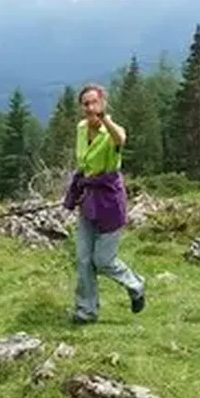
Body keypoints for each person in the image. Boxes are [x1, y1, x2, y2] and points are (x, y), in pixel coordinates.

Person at [62, 84, 145, 324]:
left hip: (109, 201)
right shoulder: (80, 128)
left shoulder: (111, 134)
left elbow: (121, 137)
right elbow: (83, 164)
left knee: (104, 260)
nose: (90, 108)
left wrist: (105, 120)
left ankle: (136, 284)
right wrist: (76, 191)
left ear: (103, 103)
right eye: (85, 104)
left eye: (94, 102)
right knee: (83, 259)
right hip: (88, 200)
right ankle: (86, 311)